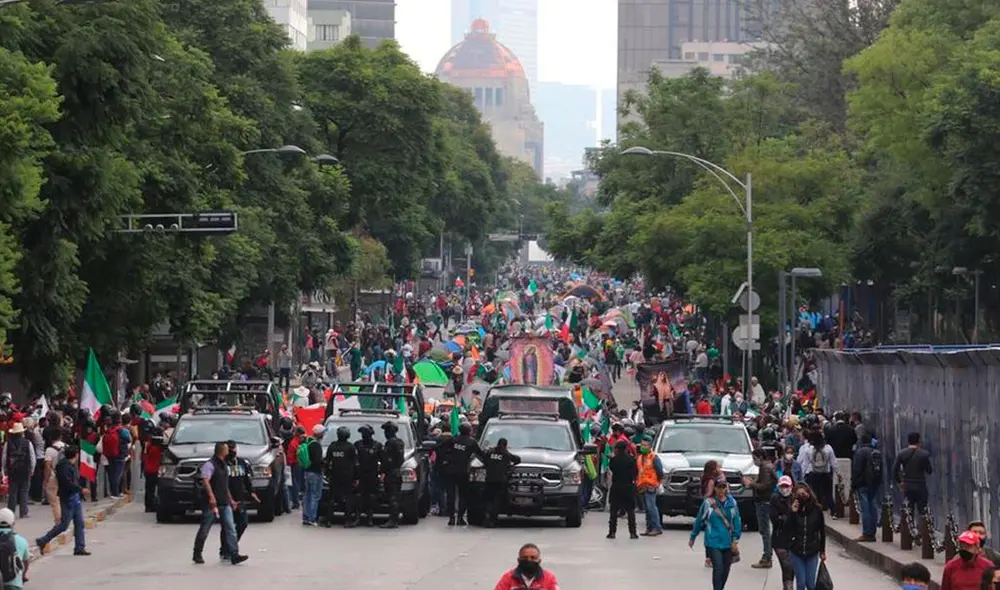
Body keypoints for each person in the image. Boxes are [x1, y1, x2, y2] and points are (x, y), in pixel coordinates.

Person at [192, 441, 246, 565]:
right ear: (222, 451)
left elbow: (224, 485)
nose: (230, 451)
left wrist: (231, 500)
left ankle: (234, 554)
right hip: (212, 503)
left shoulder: (224, 465)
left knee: (230, 528)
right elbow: (205, 481)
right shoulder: (210, 465)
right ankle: (197, 552)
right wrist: (211, 497)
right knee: (205, 528)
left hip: (224, 502)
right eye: (227, 449)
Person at [35, 445, 89, 556]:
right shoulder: (64, 467)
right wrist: (80, 489)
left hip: (74, 496)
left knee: (79, 523)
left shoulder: (69, 465)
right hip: (68, 497)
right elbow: (67, 483)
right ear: (76, 455)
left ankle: (79, 547)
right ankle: (43, 540)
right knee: (64, 525)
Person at [690, 476, 742, 590]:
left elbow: (737, 521)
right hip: (713, 541)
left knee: (725, 570)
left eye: (723, 487)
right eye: (719, 487)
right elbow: (699, 520)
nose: (721, 490)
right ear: (715, 488)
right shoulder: (708, 503)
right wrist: (693, 536)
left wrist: (735, 540)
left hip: (728, 542)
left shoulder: (732, 503)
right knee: (718, 568)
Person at [437, 422, 483, 526]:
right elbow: (481, 455)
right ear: (469, 431)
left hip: (450, 471)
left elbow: (440, 449)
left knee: (451, 494)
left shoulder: (452, 440)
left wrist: (445, 460)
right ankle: (460, 518)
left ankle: (452, 518)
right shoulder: (471, 442)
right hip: (463, 472)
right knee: (463, 495)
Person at [220, 440, 258, 560]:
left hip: (240, 498)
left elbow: (247, 479)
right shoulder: (222, 464)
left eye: (233, 448)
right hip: (226, 499)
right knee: (228, 526)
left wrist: (252, 492)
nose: (232, 451)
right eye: (229, 448)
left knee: (243, 523)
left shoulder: (242, 463)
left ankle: (231, 545)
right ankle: (226, 550)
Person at [786, 483, 826, 590]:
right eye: (799, 495)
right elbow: (787, 529)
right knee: (801, 583)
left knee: (810, 584)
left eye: (804, 493)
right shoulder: (794, 510)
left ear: (809, 493)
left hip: (812, 551)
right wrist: (792, 513)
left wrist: (822, 551)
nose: (802, 497)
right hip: (796, 551)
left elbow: (822, 531)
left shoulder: (817, 510)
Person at [745, 448, 778, 568]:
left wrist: (751, 484)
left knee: (764, 530)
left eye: (754, 458)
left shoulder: (764, 467)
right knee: (765, 530)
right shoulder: (768, 466)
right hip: (765, 501)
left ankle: (767, 557)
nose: (754, 461)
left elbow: (764, 486)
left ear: (760, 457)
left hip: (763, 501)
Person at [323, 426, 358, 528]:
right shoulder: (351, 447)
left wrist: (328, 474)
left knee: (332, 498)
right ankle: (347, 521)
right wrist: (356, 477)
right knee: (347, 498)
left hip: (334, 476)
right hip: (347, 477)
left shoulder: (332, 446)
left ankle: (328, 520)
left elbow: (326, 462)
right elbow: (356, 463)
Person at [482, 437, 520, 528]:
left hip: (489, 479)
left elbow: (483, 458)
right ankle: (492, 520)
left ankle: (487, 518)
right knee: (497, 500)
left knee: (489, 500)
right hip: (500, 480)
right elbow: (517, 459)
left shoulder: (490, 452)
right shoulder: (505, 454)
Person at [850, 432, 882, 542]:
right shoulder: (876, 452)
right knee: (872, 506)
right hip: (874, 483)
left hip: (862, 483)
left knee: (865, 508)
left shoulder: (860, 452)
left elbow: (856, 470)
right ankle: (872, 531)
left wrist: (853, 484)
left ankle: (867, 533)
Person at [606, 439, 638, 540]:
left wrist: (612, 458)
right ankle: (633, 533)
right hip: (628, 487)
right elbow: (635, 473)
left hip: (616, 487)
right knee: (630, 511)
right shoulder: (632, 460)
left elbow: (612, 469)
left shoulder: (614, 460)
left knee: (613, 511)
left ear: (617, 449)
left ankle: (612, 532)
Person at [493, 543, 560, 590]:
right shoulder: (508, 577)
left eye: (533, 557)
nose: (529, 560)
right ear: (519, 560)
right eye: (525, 557)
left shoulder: (549, 578)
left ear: (539, 561)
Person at [893, 432, 932, 512]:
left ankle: (910, 524)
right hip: (920, 485)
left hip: (907, 486)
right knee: (922, 512)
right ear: (918, 441)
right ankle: (921, 524)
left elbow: (895, 470)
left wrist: (900, 482)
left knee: (909, 511)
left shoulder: (902, 454)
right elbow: (929, 470)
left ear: (908, 441)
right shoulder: (924, 454)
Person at [2, 423, 34, 519]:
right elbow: (32, 458)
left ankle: (11, 512)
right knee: (24, 491)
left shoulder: (8, 443)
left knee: (13, 492)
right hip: (25, 470)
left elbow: (4, 458)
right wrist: (31, 469)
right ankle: (23, 512)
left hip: (12, 471)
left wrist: (4, 470)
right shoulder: (28, 443)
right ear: (22, 433)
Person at [771, 476, 797, 590]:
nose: (784, 489)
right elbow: (775, 520)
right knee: (786, 565)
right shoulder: (774, 500)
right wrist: (790, 515)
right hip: (779, 538)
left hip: (794, 539)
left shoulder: (796, 500)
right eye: (782, 486)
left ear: (791, 487)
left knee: (792, 567)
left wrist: (785, 517)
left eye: (787, 486)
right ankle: (788, 587)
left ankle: (787, 586)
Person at [636, 434, 664, 536]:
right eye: (642, 445)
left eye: (645, 445)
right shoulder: (639, 458)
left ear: (650, 446)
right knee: (647, 509)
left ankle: (657, 528)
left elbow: (660, 472)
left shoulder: (654, 457)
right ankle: (649, 528)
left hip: (651, 486)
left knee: (651, 507)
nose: (643, 447)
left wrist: (657, 483)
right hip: (642, 487)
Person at [354, 424, 382, 527]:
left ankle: (370, 518)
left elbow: (382, 460)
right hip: (360, 475)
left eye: (365, 433)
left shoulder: (377, 445)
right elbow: (354, 460)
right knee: (359, 496)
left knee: (371, 497)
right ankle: (357, 517)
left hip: (372, 475)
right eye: (362, 434)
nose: (363, 436)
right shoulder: (357, 444)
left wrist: (381, 473)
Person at [380, 421, 405, 529]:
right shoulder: (400, 442)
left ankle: (393, 520)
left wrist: (382, 471)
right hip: (397, 472)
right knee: (395, 496)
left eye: (386, 431)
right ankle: (393, 519)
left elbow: (386, 460)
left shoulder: (390, 443)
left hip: (391, 473)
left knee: (392, 497)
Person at [299, 425, 325, 526]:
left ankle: (305, 517)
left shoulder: (307, 441)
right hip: (315, 473)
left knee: (307, 495)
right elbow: (317, 461)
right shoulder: (316, 445)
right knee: (315, 495)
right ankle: (312, 518)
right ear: (320, 434)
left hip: (307, 472)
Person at [0, 508, 28, 590]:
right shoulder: (22, 541)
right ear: (13, 524)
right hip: (13, 585)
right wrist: (24, 575)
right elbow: (25, 563)